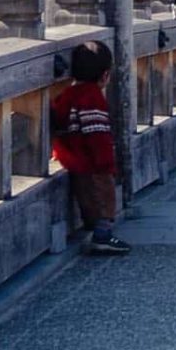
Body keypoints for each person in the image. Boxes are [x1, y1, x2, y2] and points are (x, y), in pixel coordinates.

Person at [51, 40, 129, 254]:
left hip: (71, 156)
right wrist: (107, 162)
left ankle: (95, 229)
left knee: (88, 198)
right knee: (103, 197)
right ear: (105, 75)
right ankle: (102, 235)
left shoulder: (68, 94)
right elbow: (97, 134)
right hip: (90, 160)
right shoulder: (92, 97)